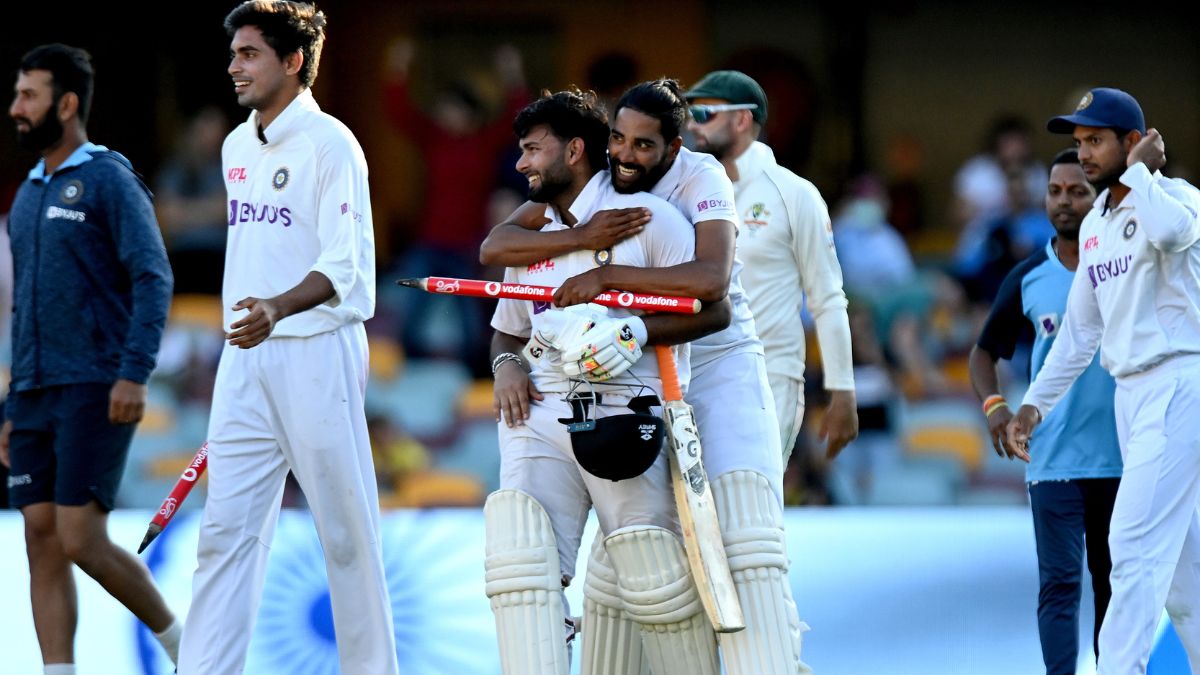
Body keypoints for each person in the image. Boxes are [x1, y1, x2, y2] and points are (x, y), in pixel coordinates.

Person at [481, 78, 810, 675]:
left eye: (643, 145)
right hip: (600, 381)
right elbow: (494, 251)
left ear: (673, 146)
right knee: (535, 561)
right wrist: (576, 244)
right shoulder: (563, 213)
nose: (626, 156)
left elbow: (712, 289)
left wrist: (620, 310)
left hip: (712, 356)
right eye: (619, 140)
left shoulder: (688, 187)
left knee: (743, 542)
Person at [176, 4, 399, 674]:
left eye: (249, 54)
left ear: (294, 60)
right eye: (234, 54)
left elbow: (346, 266)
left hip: (316, 350)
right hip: (244, 359)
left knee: (345, 532)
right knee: (225, 531)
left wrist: (277, 307)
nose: (234, 67)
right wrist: (257, 319)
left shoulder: (333, 144)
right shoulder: (236, 144)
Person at [1007, 87, 1200, 674]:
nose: (1084, 154)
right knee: (1184, 582)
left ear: (1134, 142)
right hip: (1132, 394)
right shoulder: (1095, 224)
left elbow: (1170, 235)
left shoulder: (1176, 196)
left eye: (1096, 140)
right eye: (1079, 143)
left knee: (1134, 548)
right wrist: (1032, 406)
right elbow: (1078, 334)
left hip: (1178, 382)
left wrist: (1143, 174)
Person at [1, 43, 179, 674]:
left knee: (79, 537)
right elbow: (23, 307)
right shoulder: (26, 194)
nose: (16, 108)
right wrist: (11, 402)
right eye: (18, 94)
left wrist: (135, 371)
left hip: (96, 383)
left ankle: (181, 641)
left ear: (66, 103)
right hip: (34, 393)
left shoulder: (107, 178)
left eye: (29, 95)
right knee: (40, 540)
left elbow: (153, 276)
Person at [971, 149, 1121, 674]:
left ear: (1101, 195)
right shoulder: (1030, 274)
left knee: (1115, 586)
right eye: (1056, 191)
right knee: (1059, 585)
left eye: (1077, 191)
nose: (1064, 201)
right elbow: (983, 352)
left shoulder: (1131, 266)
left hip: (1123, 456)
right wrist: (996, 410)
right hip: (1053, 457)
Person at [683, 69, 857, 459]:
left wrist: (842, 390)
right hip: (693, 371)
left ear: (742, 120)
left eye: (706, 112)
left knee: (749, 505)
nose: (693, 124)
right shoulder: (685, 192)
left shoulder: (796, 194)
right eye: (690, 113)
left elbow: (828, 299)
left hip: (769, 373)